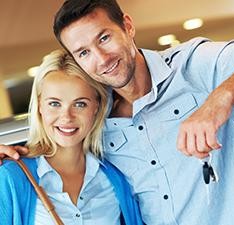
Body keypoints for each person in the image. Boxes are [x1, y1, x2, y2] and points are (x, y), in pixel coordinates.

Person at [0, 0, 234, 224]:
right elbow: (58, 146)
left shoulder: (192, 67)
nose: (101, 58)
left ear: (128, 26)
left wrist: (220, 99)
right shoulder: (94, 113)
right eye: (84, 52)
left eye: (104, 38)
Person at [0, 49, 143, 225]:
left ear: (96, 107)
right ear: (39, 106)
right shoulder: (10, 176)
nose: (67, 117)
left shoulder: (117, 177)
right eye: (54, 103)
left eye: (80, 104)